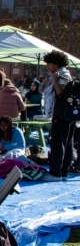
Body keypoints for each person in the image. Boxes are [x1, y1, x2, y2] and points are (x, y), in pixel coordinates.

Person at [41, 50, 74, 181]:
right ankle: (64, 171)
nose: (47, 66)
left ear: (56, 64)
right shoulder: (64, 74)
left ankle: (55, 172)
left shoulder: (61, 76)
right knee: (67, 143)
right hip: (69, 115)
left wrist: (55, 81)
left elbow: (62, 95)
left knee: (58, 142)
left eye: (49, 63)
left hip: (61, 113)